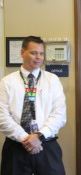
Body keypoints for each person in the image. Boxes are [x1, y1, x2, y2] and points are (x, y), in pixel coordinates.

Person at [0, 36, 67, 175]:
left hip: (46, 145)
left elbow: (59, 115)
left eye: (41, 53)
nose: (38, 57)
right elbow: (2, 117)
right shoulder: (7, 82)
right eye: (33, 53)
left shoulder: (52, 80)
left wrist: (38, 137)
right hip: (16, 148)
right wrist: (26, 139)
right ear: (22, 53)